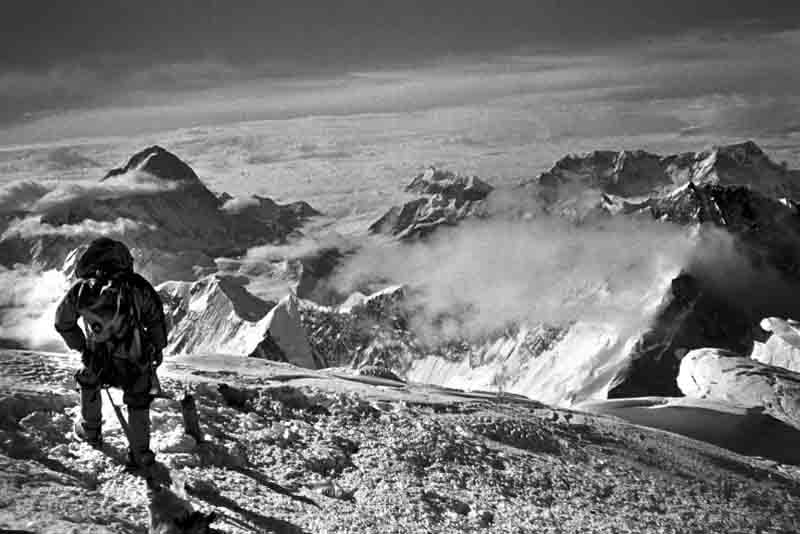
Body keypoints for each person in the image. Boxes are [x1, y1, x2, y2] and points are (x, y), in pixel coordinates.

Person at [54, 237, 168, 470]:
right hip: (134, 359)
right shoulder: (137, 286)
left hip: (98, 358)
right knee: (138, 399)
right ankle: (140, 453)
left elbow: (62, 322)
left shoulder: (82, 289)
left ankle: (91, 431)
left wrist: (82, 347)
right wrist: (157, 348)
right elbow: (155, 319)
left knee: (89, 380)